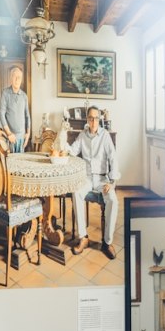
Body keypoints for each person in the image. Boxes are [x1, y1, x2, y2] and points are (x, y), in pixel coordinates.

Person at [70, 105, 120, 260]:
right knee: (76, 192)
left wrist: (112, 182)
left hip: (102, 179)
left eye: (96, 118)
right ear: (87, 119)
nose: (93, 121)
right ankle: (83, 237)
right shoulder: (82, 135)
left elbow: (113, 158)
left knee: (113, 200)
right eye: (90, 118)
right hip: (86, 178)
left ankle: (107, 242)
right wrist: (60, 142)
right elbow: (72, 151)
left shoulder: (105, 136)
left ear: (100, 119)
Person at [0, 65, 30, 153]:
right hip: (9, 138)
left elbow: (27, 116)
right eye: (15, 77)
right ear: (11, 78)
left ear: (21, 80)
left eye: (19, 77)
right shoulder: (5, 93)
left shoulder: (24, 96)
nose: (17, 79)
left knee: (20, 165)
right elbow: (1, 114)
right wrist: (9, 133)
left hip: (22, 138)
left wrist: (28, 134)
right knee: (9, 164)